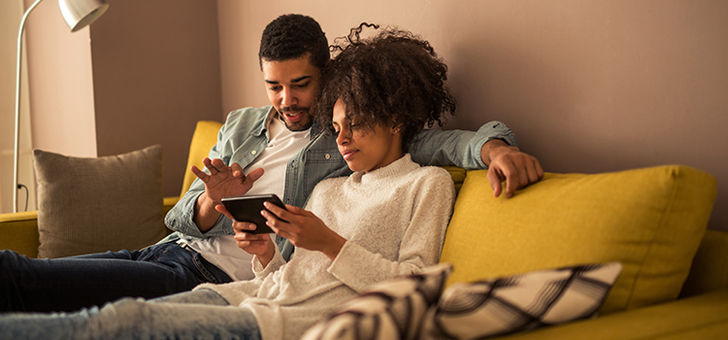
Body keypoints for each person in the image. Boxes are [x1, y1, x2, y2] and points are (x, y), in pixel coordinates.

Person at [0, 14, 542, 313]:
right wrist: (215, 200)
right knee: (35, 287)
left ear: (325, 75)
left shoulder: (345, 138)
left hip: (205, 276)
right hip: (169, 250)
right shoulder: (242, 124)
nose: (286, 99)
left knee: (23, 281)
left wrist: (495, 147)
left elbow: (439, 143)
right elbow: (179, 218)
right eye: (274, 86)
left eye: (300, 84)